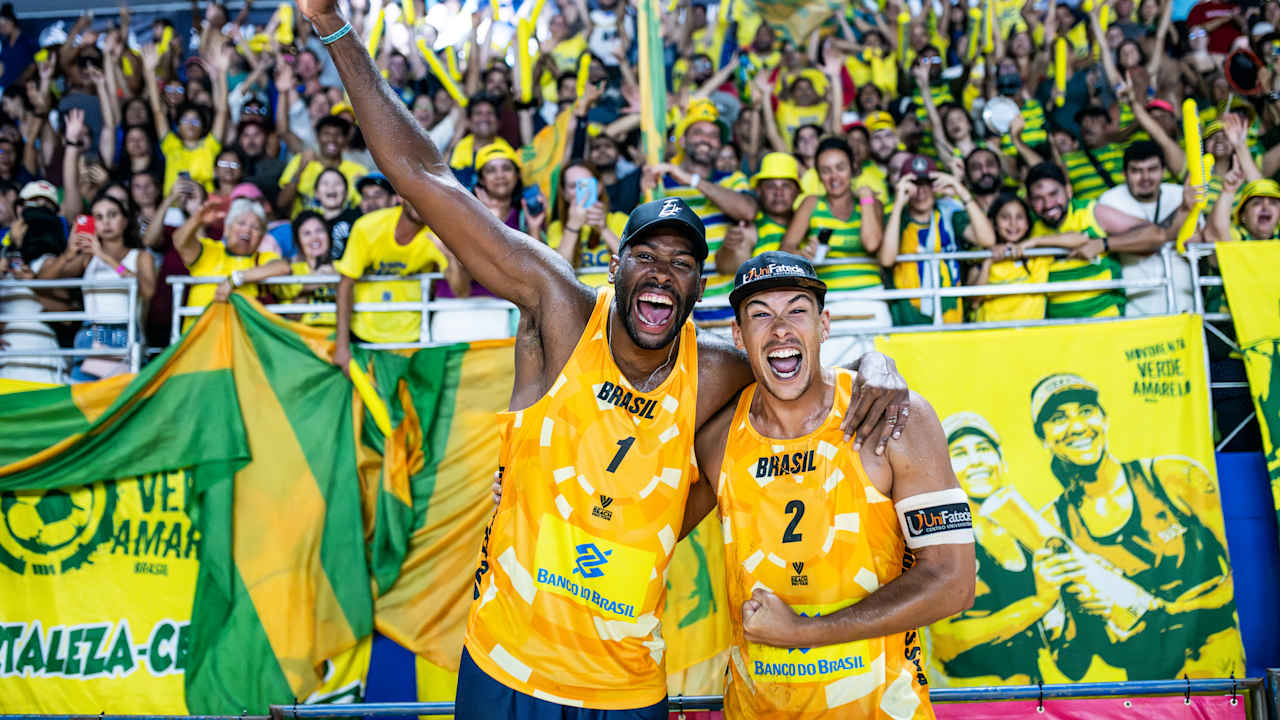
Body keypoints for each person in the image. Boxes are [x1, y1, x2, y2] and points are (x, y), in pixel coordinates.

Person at [300, 3, 912, 714]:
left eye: (681, 264)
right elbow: (423, 175)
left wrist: (877, 363)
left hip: (626, 686)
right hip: (509, 667)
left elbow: (798, 359)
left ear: (699, 287)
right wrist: (333, 27)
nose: (662, 274)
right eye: (645, 256)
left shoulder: (717, 370)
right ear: (615, 266)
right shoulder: (561, 311)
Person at [681, 251, 975, 717]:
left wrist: (805, 632)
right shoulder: (718, 439)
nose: (780, 329)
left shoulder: (895, 417)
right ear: (738, 335)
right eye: (760, 315)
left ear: (824, 324)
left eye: (797, 310)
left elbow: (954, 582)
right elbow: (648, 528)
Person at [1029, 373, 1242, 680]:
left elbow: (1242, 576)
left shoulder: (1173, 477)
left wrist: (1165, 611)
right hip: (1145, 692)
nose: (1076, 426)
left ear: (1105, 419)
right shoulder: (1051, 526)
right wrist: (1069, 607)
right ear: (1043, 438)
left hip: (1217, 677)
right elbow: (1072, 666)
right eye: (1059, 418)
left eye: (1086, 411)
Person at [930, 412, 1079, 686]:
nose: (976, 460)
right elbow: (946, 643)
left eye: (983, 448)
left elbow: (1071, 656)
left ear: (1002, 461)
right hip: (969, 702)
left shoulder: (1029, 536)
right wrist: (1039, 604)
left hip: (1033, 697)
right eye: (960, 453)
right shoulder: (941, 541)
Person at [642, 98, 758, 318]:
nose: (706, 139)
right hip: (676, 310)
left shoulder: (732, 180)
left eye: (713, 135)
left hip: (727, 307)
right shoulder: (660, 184)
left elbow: (747, 211)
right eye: (698, 132)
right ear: (683, 141)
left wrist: (693, 181)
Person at [1022, 162, 1164, 319]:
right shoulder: (1027, 225)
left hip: (1107, 319)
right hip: (1058, 328)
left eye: (1054, 194)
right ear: (1028, 201)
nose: (1048, 204)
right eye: (1038, 198)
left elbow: (1155, 235)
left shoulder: (1090, 212)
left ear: (1068, 190)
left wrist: (1103, 244)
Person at [880, 159, 996, 325]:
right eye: (915, 185)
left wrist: (960, 190)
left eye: (927, 185)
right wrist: (898, 204)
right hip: (908, 321)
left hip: (952, 319)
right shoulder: (895, 219)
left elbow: (988, 240)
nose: (921, 192)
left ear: (936, 186)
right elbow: (886, 259)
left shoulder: (949, 215)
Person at [1096, 141, 1196, 315]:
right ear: (1124, 174)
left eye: (1152, 169)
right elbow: (1150, 239)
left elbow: (1197, 239)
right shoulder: (1110, 201)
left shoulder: (1180, 194)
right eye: (1136, 171)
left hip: (1185, 305)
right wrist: (1183, 211)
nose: (1145, 177)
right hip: (1134, 308)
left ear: (1164, 171)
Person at [171, 197, 291, 330]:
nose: (247, 230)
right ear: (226, 229)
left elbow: (282, 267)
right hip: (201, 336)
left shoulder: (261, 258)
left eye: (255, 227)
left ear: (261, 237)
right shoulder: (209, 250)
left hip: (243, 337)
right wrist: (197, 220)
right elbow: (179, 241)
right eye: (241, 223)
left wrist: (235, 279)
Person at [969, 193, 1053, 323]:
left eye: (1019, 217)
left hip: (1030, 333)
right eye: (1005, 217)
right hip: (991, 333)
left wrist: (1033, 242)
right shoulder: (980, 257)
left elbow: (1079, 239)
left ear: (1027, 223)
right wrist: (988, 262)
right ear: (994, 223)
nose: (1013, 224)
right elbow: (974, 301)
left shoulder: (1038, 255)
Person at [545, 161, 626, 287]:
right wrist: (572, 226)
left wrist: (604, 229)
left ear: (599, 187)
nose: (581, 191)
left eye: (586, 184)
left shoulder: (620, 220)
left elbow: (630, 264)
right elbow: (557, 272)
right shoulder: (556, 228)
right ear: (565, 193)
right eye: (573, 186)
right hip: (575, 295)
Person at [278, 115, 368, 217]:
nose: (332, 139)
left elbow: (364, 209)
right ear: (317, 137)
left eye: (338, 134)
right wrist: (300, 170)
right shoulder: (301, 160)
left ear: (345, 139)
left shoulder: (358, 170)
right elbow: (281, 203)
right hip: (304, 224)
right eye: (327, 134)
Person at [276, 210, 337, 327]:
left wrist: (339, 285)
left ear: (328, 235)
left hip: (338, 334)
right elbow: (290, 320)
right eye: (307, 233)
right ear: (298, 241)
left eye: (319, 231)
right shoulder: (291, 272)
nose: (314, 238)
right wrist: (308, 287)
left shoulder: (343, 268)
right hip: (303, 335)